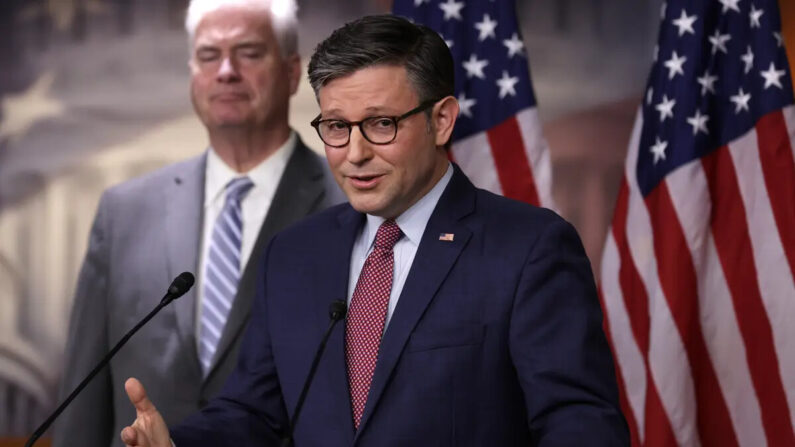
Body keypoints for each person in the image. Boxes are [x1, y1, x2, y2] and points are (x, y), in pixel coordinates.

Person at [116, 15, 629, 447]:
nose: (355, 153)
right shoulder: (294, 255)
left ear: (442, 120)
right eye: (337, 127)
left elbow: (579, 425)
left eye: (381, 123)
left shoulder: (529, 248)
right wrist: (178, 444)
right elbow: (255, 412)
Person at [53, 1, 344, 446]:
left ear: (290, 72)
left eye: (248, 52)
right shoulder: (123, 211)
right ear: (193, 73)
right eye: (209, 55)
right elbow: (83, 398)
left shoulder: (349, 202)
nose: (226, 70)